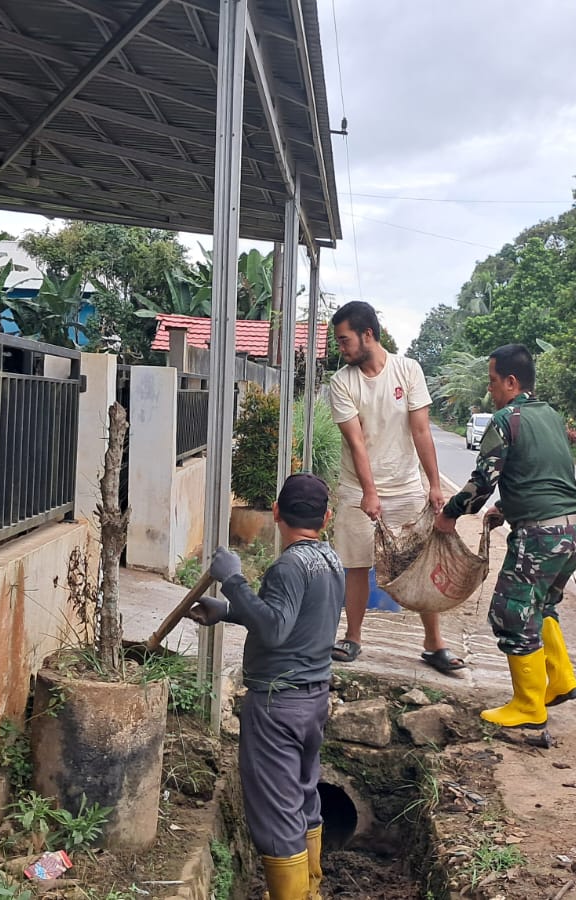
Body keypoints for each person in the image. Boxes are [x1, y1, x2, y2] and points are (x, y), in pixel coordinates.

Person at [188, 473, 344, 899]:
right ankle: (309, 889)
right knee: (303, 800)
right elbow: (293, 623)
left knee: (277, 819)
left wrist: (233, 580)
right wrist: (228, 612)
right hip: (312, 703)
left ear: (276, 513)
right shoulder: (329, 561)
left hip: (278, 707)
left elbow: (274, 629)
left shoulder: (289, 566)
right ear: (326, 518)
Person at [436, 344, 576, 729]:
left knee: (510, 614)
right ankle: (561, 680)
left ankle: (528, 705)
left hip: (541, 536)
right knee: (542, 606)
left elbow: (482, 483)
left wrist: (450, 514)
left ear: (511, 381)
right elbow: (541, 473)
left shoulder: (505, 419)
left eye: (492, 381)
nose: (490, 390)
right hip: (574, 531)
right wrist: (506, 509)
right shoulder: (551, 416)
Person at [327, 301, 466, 676]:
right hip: (358, 489)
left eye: (344, 340)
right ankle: (353, 637)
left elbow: (421, 431)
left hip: (406, 486)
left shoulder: (408, 370)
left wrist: (434, 485)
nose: (341, 348)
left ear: (367, 335)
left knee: (418, 563)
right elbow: (357, 443)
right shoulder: (342, 382)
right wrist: (370, 492)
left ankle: (433, 643)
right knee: (356, 565)